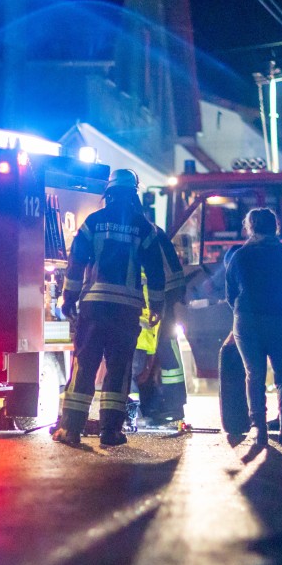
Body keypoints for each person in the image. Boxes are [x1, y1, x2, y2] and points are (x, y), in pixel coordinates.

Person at [54, 168, 166, 447]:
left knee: (84, 366)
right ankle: (110, 431)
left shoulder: (94, 222)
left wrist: (69, 298)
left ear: (109, 193)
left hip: (94, 308)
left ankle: (70, 430)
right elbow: (155, 272)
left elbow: (76, 263)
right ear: (133, 194)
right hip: (126, 311)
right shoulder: (145, 228)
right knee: (119, 369)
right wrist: (157, 306)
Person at [225, 207, 282, 447]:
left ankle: (259, 429)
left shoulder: (240, 256)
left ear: (250, 228)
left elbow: (231, 294)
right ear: (276, 228)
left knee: (254, 375)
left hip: (247, 321)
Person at [133, 226, 189, 429]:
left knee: (155, 357)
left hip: (151, 304)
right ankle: (166, 407)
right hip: (161, 302)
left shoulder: (141, 230)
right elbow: (173, 270)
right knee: (165, 356)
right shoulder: (154, 231)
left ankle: (153, 407)